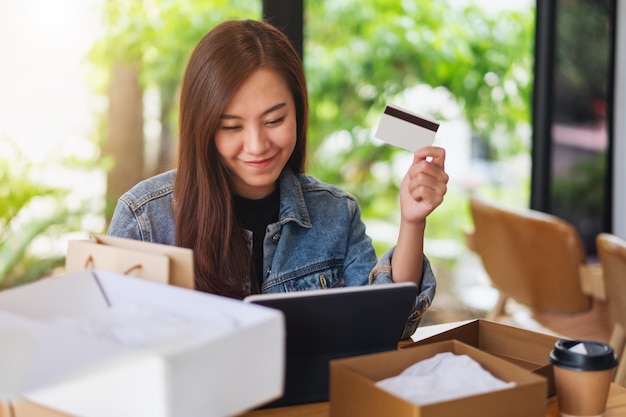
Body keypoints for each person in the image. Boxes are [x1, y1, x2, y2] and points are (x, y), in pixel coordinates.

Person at [107, 19, 449, 338]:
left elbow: (386, 327)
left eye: (274, 121)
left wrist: (412, 221)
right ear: (202, 127)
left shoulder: (335, 214)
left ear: (298, 111)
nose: (257, 146)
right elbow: (111, 345)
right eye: (232, 127)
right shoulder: (144, 221)